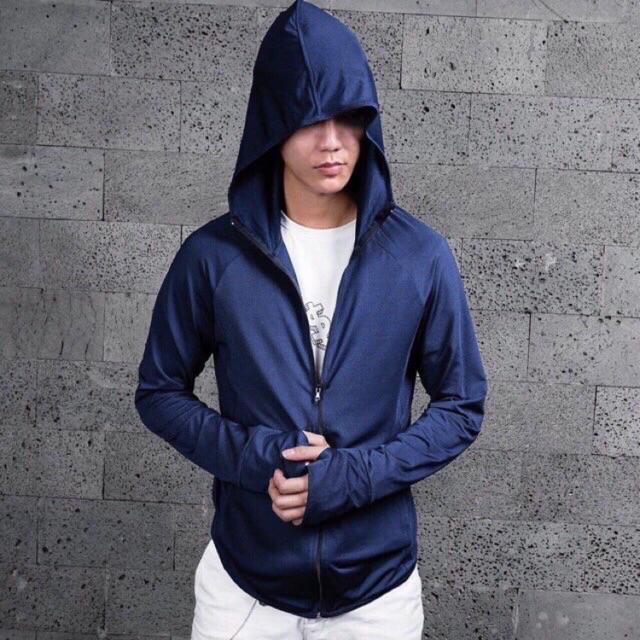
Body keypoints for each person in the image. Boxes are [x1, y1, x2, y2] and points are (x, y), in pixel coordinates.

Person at [134, 1, 488, 638]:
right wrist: (261, 457)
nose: (332, 141)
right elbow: (158, 393)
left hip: (376, 594)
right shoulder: (213, 257)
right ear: (272, 125)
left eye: (347, 117)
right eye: (307, 119)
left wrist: (355, 476)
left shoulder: (420, 257)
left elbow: (462, 405)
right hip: (245, 590)